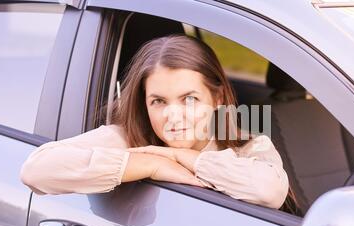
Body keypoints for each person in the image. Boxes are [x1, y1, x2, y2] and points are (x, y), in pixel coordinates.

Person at [20, 34, 297, 212]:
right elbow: (35, 170)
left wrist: (179, 156)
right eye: (158, 101)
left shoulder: (247, 145)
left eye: (189, 99)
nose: (173, 116)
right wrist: (152, 164)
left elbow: (269, 191)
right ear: (144, 103)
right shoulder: (128, 139)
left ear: (218, 97)